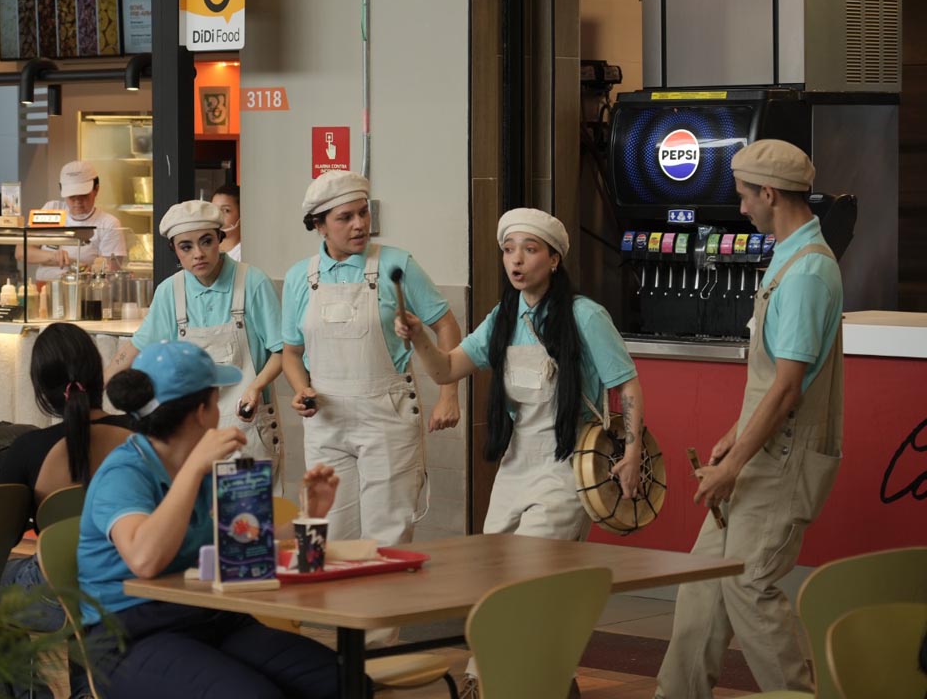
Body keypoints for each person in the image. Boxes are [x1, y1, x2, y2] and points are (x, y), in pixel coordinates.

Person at [396, 208, 646, 698]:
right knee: (493, 583)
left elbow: (626, 384)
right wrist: (421, 337)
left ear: (553, 259)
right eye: (509, 249)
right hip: (516, 466)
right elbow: (446, 370)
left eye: (530, 250)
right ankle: (550, 683)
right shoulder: (503, 318)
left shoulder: (584, 315)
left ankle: (484, 681)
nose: (517, 260)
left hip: (568, 467)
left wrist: (633, 448)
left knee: (527, 582)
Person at [656, 140, 844, 698]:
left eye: (744, 197)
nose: (740, 209)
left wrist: (731, 466)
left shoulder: (809, 273)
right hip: (759, 454)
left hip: (781, 463)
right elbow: (776, 380)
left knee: (748, 586)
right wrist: (734, 437)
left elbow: (788, 388)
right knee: (702, 584)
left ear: (769, 194)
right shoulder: (787, 255)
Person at [79, 341, 346, 698]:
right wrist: (193, 470)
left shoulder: (202, 470)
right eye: (216, 400)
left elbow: (247, 541)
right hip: (127, 635)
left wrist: (308, 517)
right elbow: (144, 559)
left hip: (209, 615)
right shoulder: (124, 473)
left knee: (344, 682)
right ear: (203, 411)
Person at [281, 170, 462, 548]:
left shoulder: (396, 264)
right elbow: (291, 353)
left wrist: (449, 395)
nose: (360, 225)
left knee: (387, 533)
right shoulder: (300, 278)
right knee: (327, 531)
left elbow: (447, 326)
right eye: (345, 217)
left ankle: (383, 607)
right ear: (320, 225)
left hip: (387, 415)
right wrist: (302, 389)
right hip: (325, 419)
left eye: (363, 213)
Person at [106, 200, 284, 475]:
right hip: (191, 431)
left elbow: (282, 351)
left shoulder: (252, 282)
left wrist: (256, 387)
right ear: (175, 251)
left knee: (252, 515)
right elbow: (136, 348)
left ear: (219, 240)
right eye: (186, 247)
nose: (198, 254)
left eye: (206, 242)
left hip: (247, 424)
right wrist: (94, 395)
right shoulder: (170, 292)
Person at [0, 322, 134, 633]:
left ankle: (32, 684)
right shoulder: (140, 433)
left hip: (56, 597)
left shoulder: (27, 449)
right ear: (99, 375)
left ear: (42, 390)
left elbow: (4, 536)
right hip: (133, 583)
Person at [18, 161, 128, 281]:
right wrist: (54, 257)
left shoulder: (109, 224)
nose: (77, 202)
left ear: (96, 190)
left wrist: (77, 266)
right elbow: (21, 251)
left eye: (83, 196)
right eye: (72, 197)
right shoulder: (51, 209)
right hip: (44, 289)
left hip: (84, 293)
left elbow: (110, 275)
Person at [212, 184, 242, 261]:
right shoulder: (206, 250)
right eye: (214, 209)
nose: (217, 215)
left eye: (226, 210)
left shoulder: (245, 254)